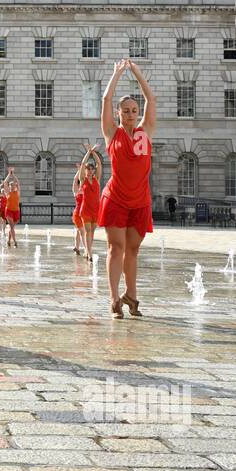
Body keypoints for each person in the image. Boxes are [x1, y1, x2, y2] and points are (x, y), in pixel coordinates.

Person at [97, 59, 155, 319]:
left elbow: (150, 99)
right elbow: (106, 99)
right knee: (116, 248)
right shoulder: (112, 133)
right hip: (116, 199)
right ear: (119, 114)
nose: (131, 114)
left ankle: (131, 296)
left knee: (133, 250)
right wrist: (118, 73)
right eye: (126, 110)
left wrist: (138, 73)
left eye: (134, 110)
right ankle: (113, 299)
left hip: (140, 201)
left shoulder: (146, 131)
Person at [74, 143, 102, 262]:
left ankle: (88, 250)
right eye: (88, 169)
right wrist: (88, 152)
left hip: (96, 209)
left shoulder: (97, 179)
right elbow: (82, 166)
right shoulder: (83, 180)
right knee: (88, 231)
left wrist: (93, 152)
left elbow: (99, 163)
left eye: (91, 169)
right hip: (85, 209)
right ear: (85, 171)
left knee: (92, 232)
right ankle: (89, 253)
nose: (90, 171)